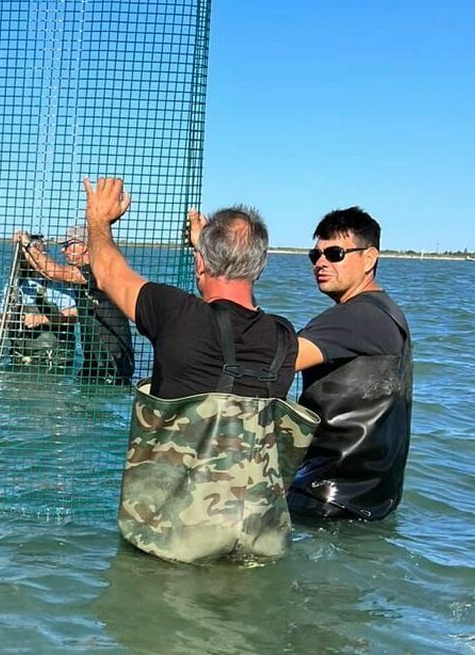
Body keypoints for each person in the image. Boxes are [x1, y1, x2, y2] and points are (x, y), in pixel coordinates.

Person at [82, 176, 317, 563]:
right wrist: (210, 255)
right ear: (259, 269)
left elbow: (107, 272)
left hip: (173, 541)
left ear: (200, 262)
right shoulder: (281, 337)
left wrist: (98, 221)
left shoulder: (174, 313)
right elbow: (242, 315)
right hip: (258, 540)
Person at [289, 207, 412, 521]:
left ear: (369, 258)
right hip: (373, 499)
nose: (321, 263)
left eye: (335, 253)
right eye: (314, 255)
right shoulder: (388, 312)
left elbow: (276, 360)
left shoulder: (356, 316)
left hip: (325, 497)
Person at [0, 224, 135, 382]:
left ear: (83, 246)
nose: (63, 251)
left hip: (112, 362)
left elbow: (51, 272)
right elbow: (44, 271)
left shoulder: (96, 270)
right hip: (92, 362)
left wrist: (28, 244)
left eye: (67, 245)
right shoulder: (18, 283)